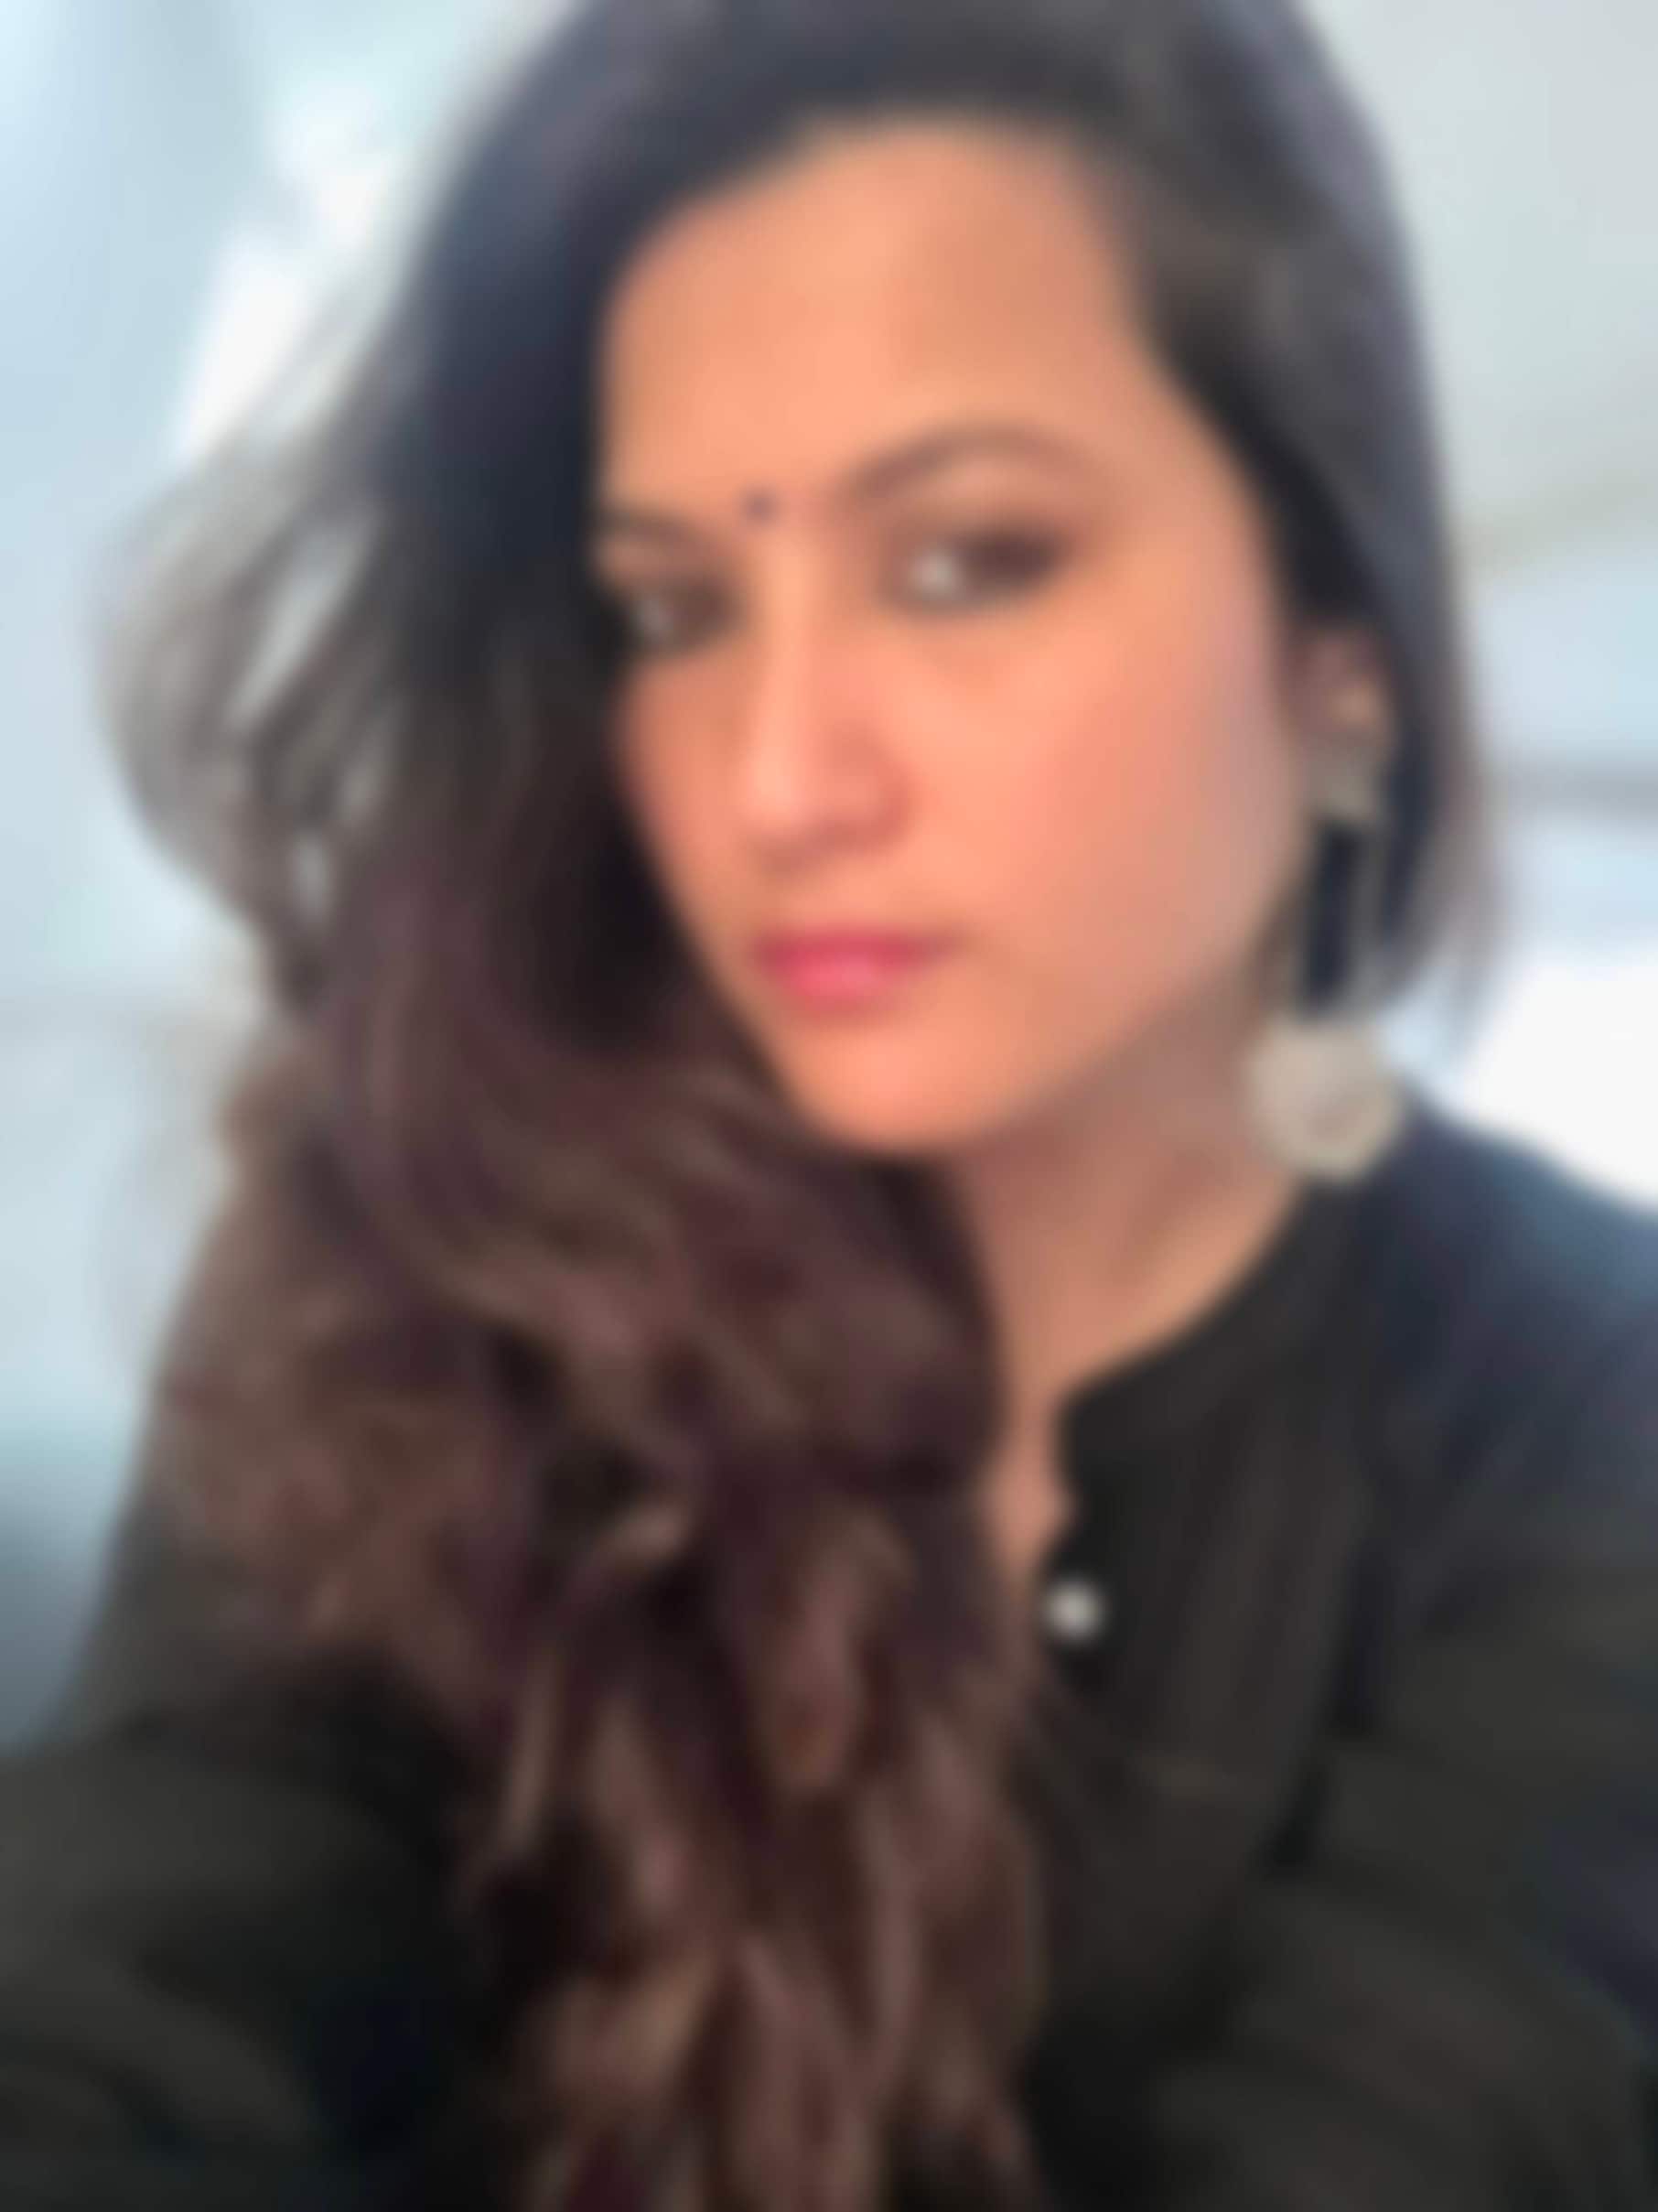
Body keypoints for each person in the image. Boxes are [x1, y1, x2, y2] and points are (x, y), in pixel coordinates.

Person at [3, 0, 1655, 2206]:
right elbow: (130, 2019)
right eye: (672, 610)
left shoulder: (1590, 1402)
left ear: (1337, 650)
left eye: (966, 562)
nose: (777, 781)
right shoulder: (433, 1248)